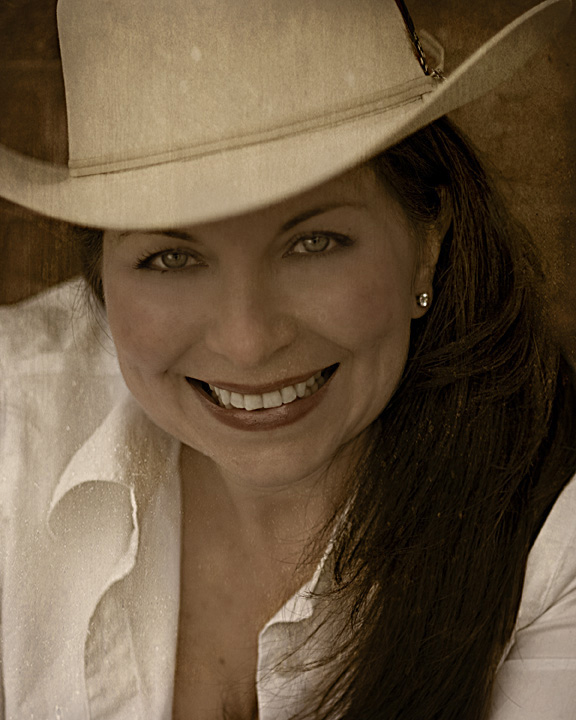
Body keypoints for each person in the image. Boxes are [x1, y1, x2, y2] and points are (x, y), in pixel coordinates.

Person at [1, 0, 575, 719]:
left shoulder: (556, 540)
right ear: (101, 276)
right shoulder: (11, 414)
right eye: (172, 257)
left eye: (314, 243)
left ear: (428, 237)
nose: (248, 341)